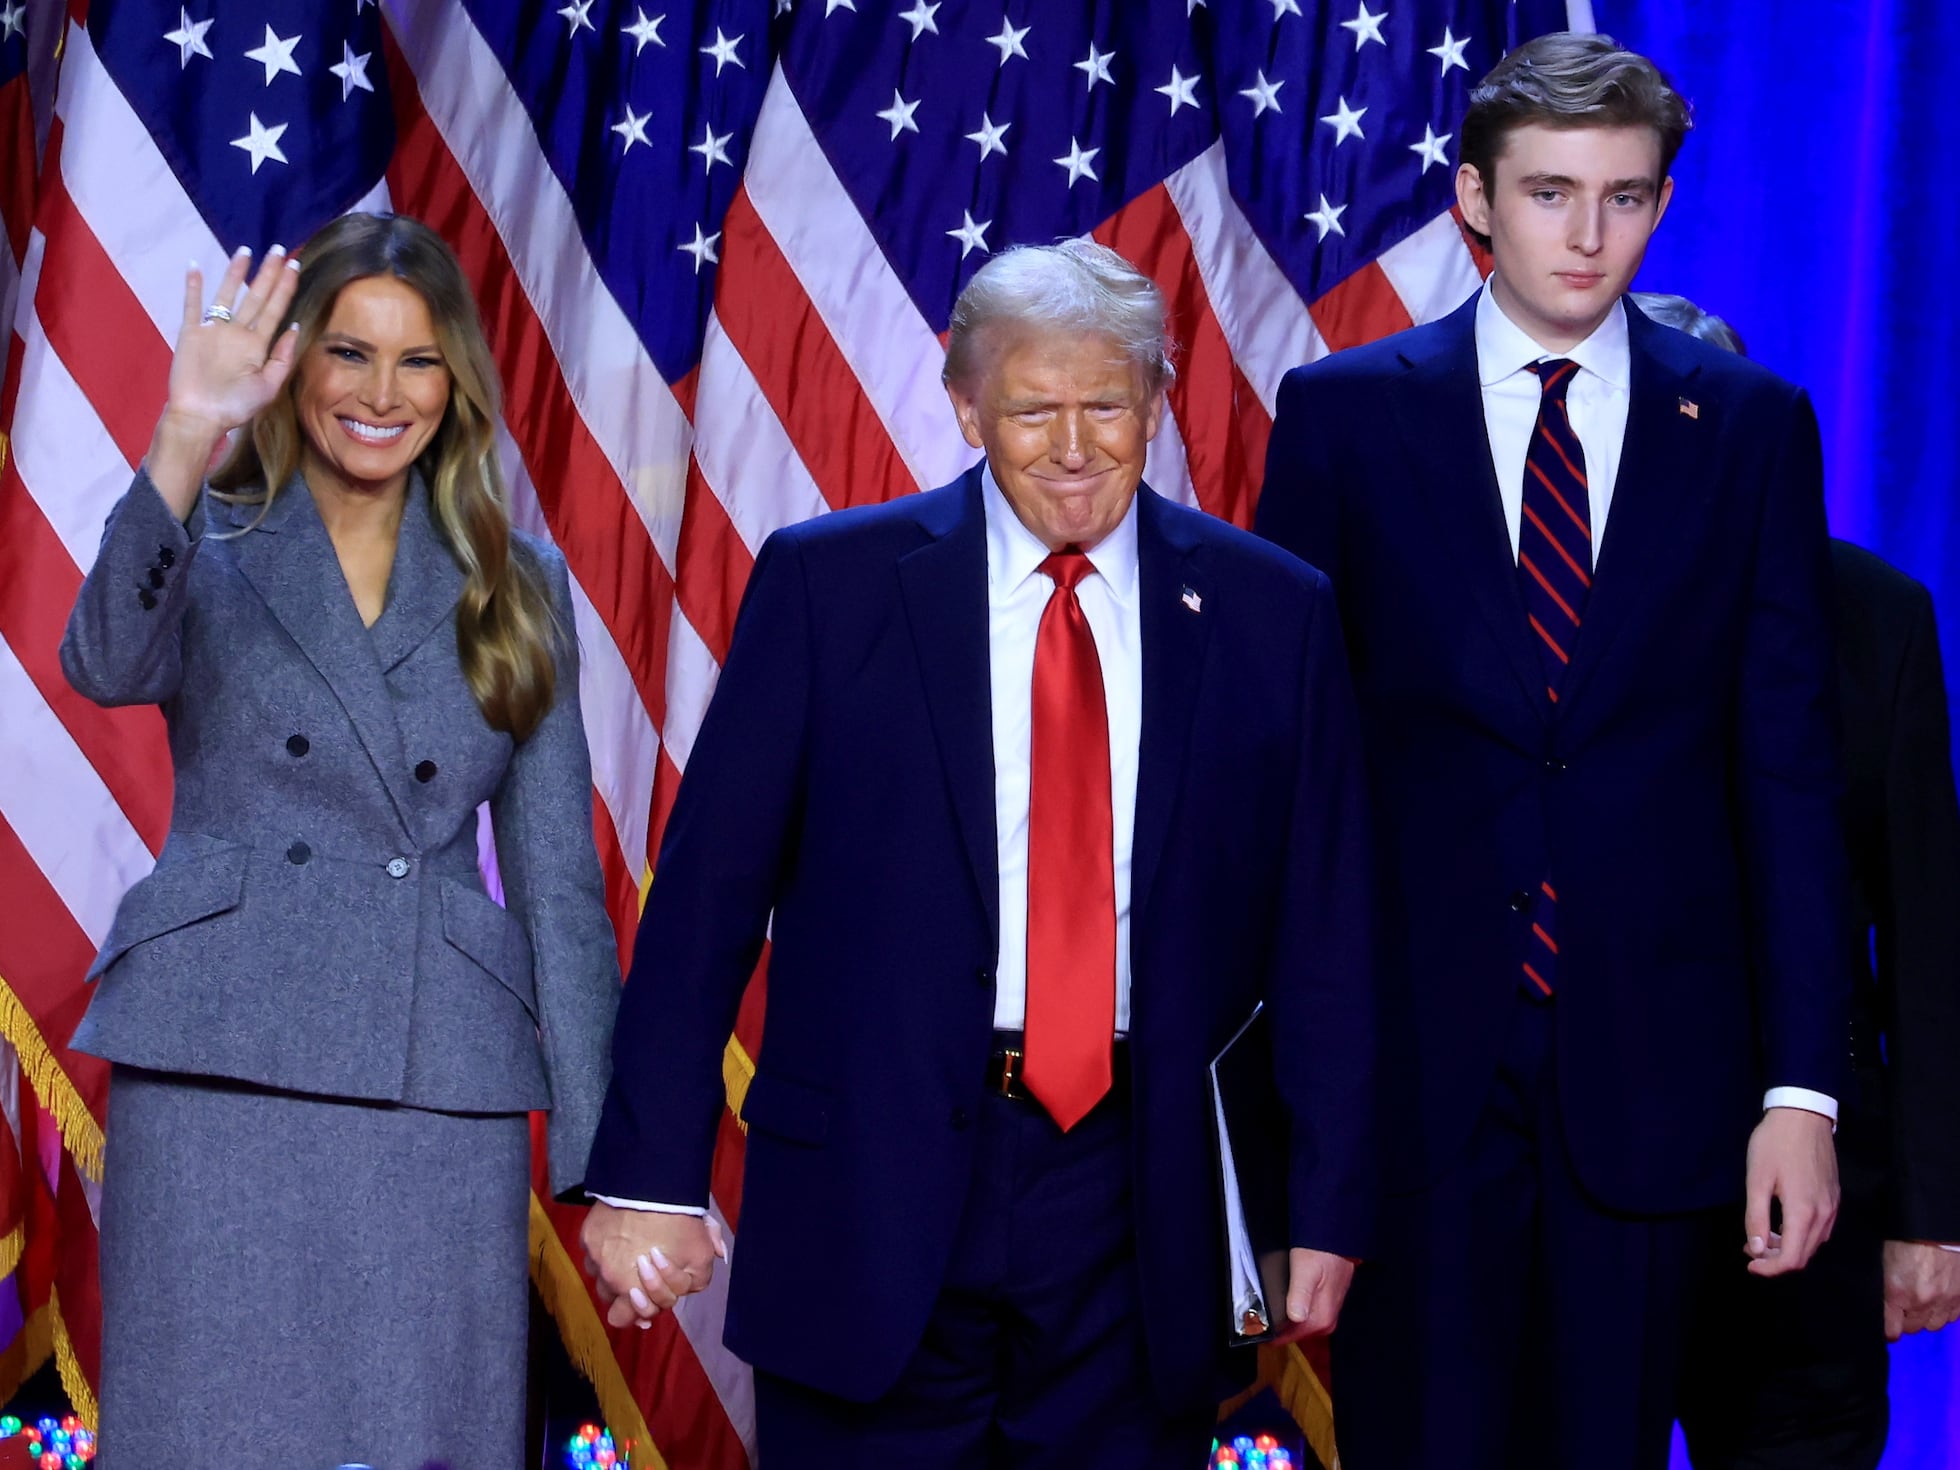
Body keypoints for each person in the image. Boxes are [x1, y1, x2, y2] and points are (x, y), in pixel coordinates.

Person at [577, 239, 1378, 1464]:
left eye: (1106, 404)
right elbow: (703, 908)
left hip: (1138, 1197)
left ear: (1157, 404)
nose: (1072, 444)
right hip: (868, 1185)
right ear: (965, 408)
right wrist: (648, 1177)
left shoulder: (1275, 612)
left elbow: (1324, 931)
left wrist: (1320, 1204)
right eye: (1031, 408)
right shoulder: (829, 585)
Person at [1254, 33, 1851, 1470]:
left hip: (1659, 1077)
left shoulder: (1755, 427)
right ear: (1475, 198)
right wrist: (1287, 1104)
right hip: (1414, 1074)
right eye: (1550, 192)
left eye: (1627, 198)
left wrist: (1803, 1092)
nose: (1589, 236)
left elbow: (1788, 771)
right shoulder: (1342, 415)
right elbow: (1292, 781)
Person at [60, 213, 618, 1467]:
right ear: (295, 365)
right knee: (207, 1437)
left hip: (438, 1081)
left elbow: (558, 891)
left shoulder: (514, 584)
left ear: (454, 382)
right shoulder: (201, 537)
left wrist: (604, 1166)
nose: (380, 394)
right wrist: (183, 434)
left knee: (422, 1435)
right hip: (218, 1066)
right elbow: (100, 662)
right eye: (349, 354)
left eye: (417, 361)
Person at [1635, 293, 1960, 1469]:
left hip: (1819, 1215)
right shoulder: (1527, 612)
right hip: (1578, 1201)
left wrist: (1931, 1213)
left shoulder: (1874, 617)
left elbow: (1925, 942)